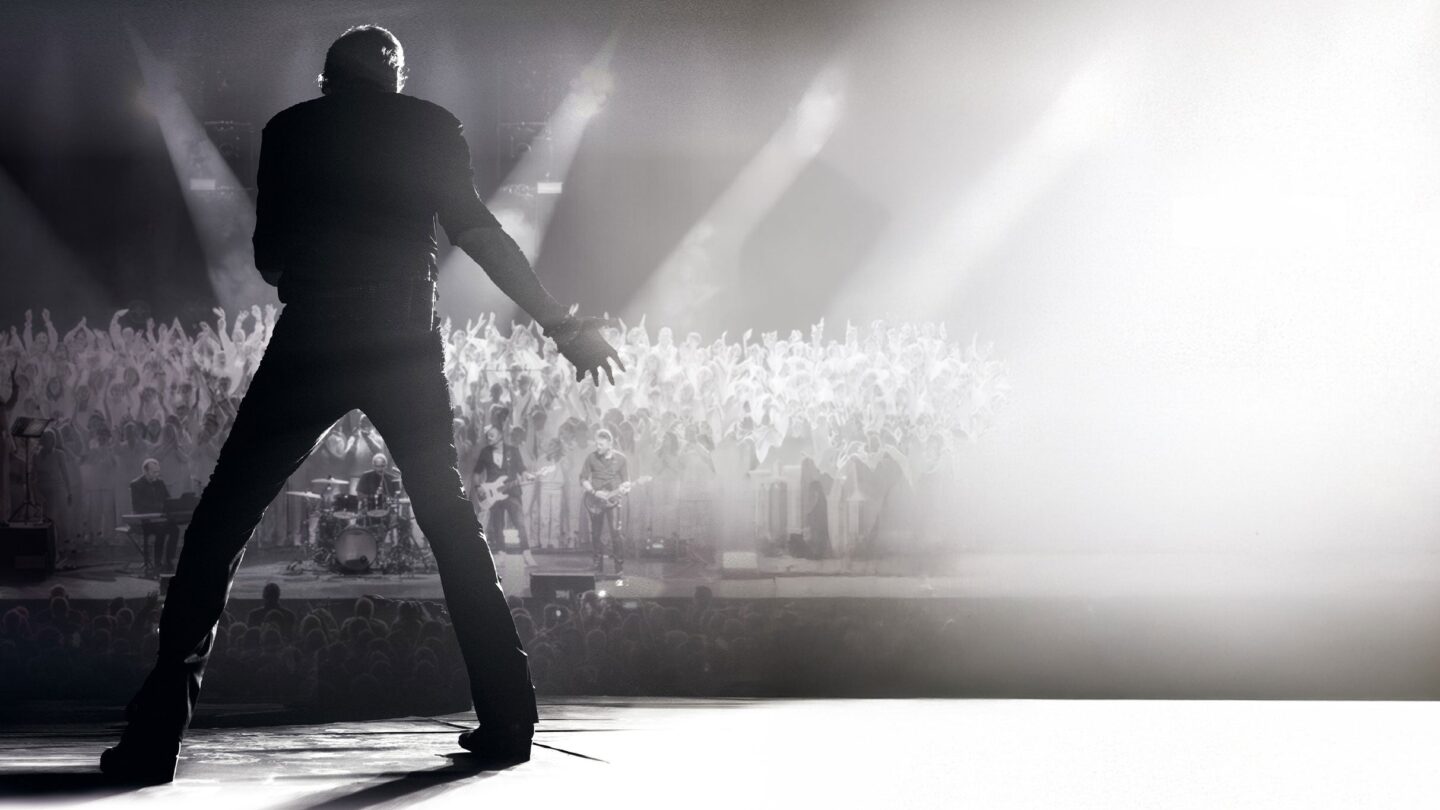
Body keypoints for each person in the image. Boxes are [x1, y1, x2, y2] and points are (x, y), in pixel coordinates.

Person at [101, 24, 625, 783]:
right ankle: (510, 719)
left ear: (325, 80)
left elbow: (269, 257)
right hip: (407, 335)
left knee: (219, 524)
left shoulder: (289, 129)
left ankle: (155, 739)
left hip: (316, 330)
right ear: (399, 81)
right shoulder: (431, 126)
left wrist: (312, 264)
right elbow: (480, 234)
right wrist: (562, 325)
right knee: (450, 525)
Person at [471, 425, 530, 551]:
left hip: (512, 492)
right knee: (497, 525)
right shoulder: (485, 452)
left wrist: (525, 475)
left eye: (492, 434)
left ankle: (526, 552)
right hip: (493, 494)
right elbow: (476, 473)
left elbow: (522, 468)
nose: (489, 437)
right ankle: (501, 552)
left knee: (520, 523)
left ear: (500, 436)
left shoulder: (513, 450)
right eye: (488, 435)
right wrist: (478, 487)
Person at [580, 427, 629, 574]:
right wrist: (594, 492)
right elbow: (583, 478)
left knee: (616, 532)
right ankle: (597, 564)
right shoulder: (591, 457)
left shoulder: (621, 459)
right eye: (596, 444)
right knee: (595, 533)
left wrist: (625, 488)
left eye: (601, 445)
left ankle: (619, 566)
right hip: (595, 501)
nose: (597, 447)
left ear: (609, 444)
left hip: (613, 500)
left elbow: (627, 481)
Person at [128, 458, 181, 572]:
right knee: (161, 530)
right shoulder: (136, 484)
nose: (157, 474)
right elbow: (138, 506)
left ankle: (169, 560)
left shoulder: (160, 483)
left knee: (175, 530)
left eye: (158, 472)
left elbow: (168, 499)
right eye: (154, 472)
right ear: (145, 471)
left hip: (160, 519)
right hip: (145, 521)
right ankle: (157, 563)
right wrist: (159, 507)